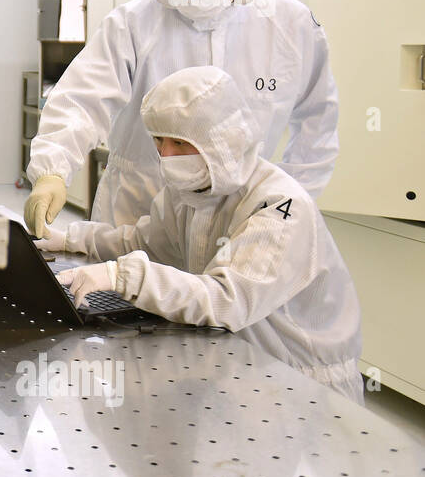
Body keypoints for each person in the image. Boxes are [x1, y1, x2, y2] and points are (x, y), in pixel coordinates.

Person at [36, 66, 364, 404]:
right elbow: (142, 243)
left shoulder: (280, 206)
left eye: (180, 142)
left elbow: (226, 299)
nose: (167, 155)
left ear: (222, 141)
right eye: (159, 140)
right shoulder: (192, 190)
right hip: (244, 368)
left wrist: (123, 276)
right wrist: (70, 239)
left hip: (302, 385)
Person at [24, 0, 339, 237]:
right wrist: (52, 169)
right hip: (138, 210)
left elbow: (318, 122)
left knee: (227, 290)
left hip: (243, 216)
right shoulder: (132, 24)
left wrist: (288, 204)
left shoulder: (290, 25)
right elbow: (82, 99)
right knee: (123, 288)